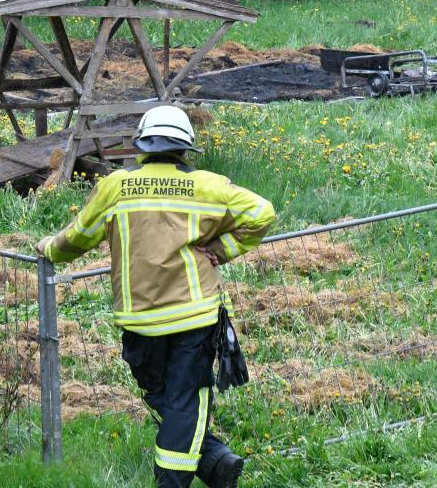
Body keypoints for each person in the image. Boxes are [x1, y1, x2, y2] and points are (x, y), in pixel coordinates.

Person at [37, 106, 276, 488]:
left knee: (161, 396)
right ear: (185, 149)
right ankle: (212, 459)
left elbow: (79, 236)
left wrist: (49, 248)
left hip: (139, 318)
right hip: (194, 316)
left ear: (142, 146)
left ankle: (179, 478)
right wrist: (222, 247)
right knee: (182, 402)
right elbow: (262, 213)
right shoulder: (209, 186)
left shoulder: (115, 187)